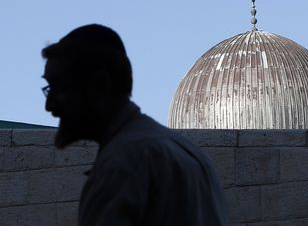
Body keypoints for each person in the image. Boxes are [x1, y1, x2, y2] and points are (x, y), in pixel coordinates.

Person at [41, 24, 229, 226]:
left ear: (99, 84)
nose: (49, 105)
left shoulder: (123, 164)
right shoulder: (191, 154)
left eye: (58, 87)